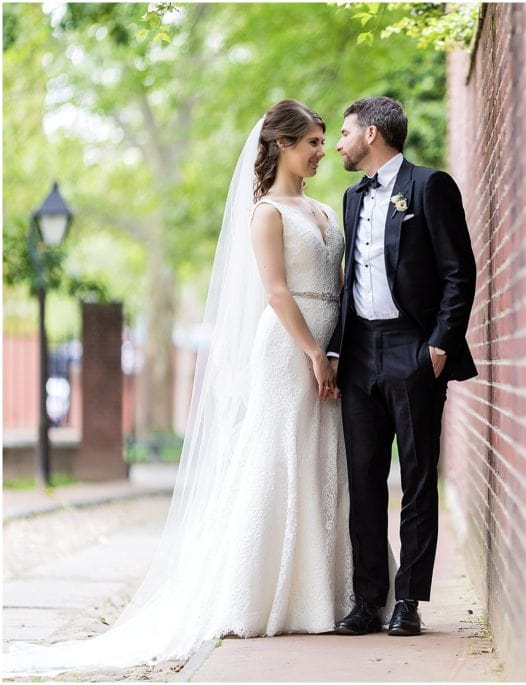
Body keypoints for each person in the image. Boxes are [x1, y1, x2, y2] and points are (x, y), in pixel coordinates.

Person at [2, 99, 376, 675]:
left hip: (330, 347)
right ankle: (263, 592)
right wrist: (310, 354)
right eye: (311, 144)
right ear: (281, 145)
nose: (322, 153)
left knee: (328, 459)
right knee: (278, 457)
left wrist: (334, 353)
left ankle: (327, 592)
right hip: (285, 348)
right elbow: (277, 293)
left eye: (325, 143)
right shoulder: (266, 214)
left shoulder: (326, 210)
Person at [328, 96, 477, 637]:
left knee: (416, 478)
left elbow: (460, 271)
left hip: (413, 350)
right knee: (363, 480)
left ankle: (408, 600)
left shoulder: (429, 186)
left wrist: (438, 345)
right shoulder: (350, 197)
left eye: (345, 132)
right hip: (361, 351)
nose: (338, 143)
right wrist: (338, 349)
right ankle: (368, 599)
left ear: (372, 133)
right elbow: (351, 281)